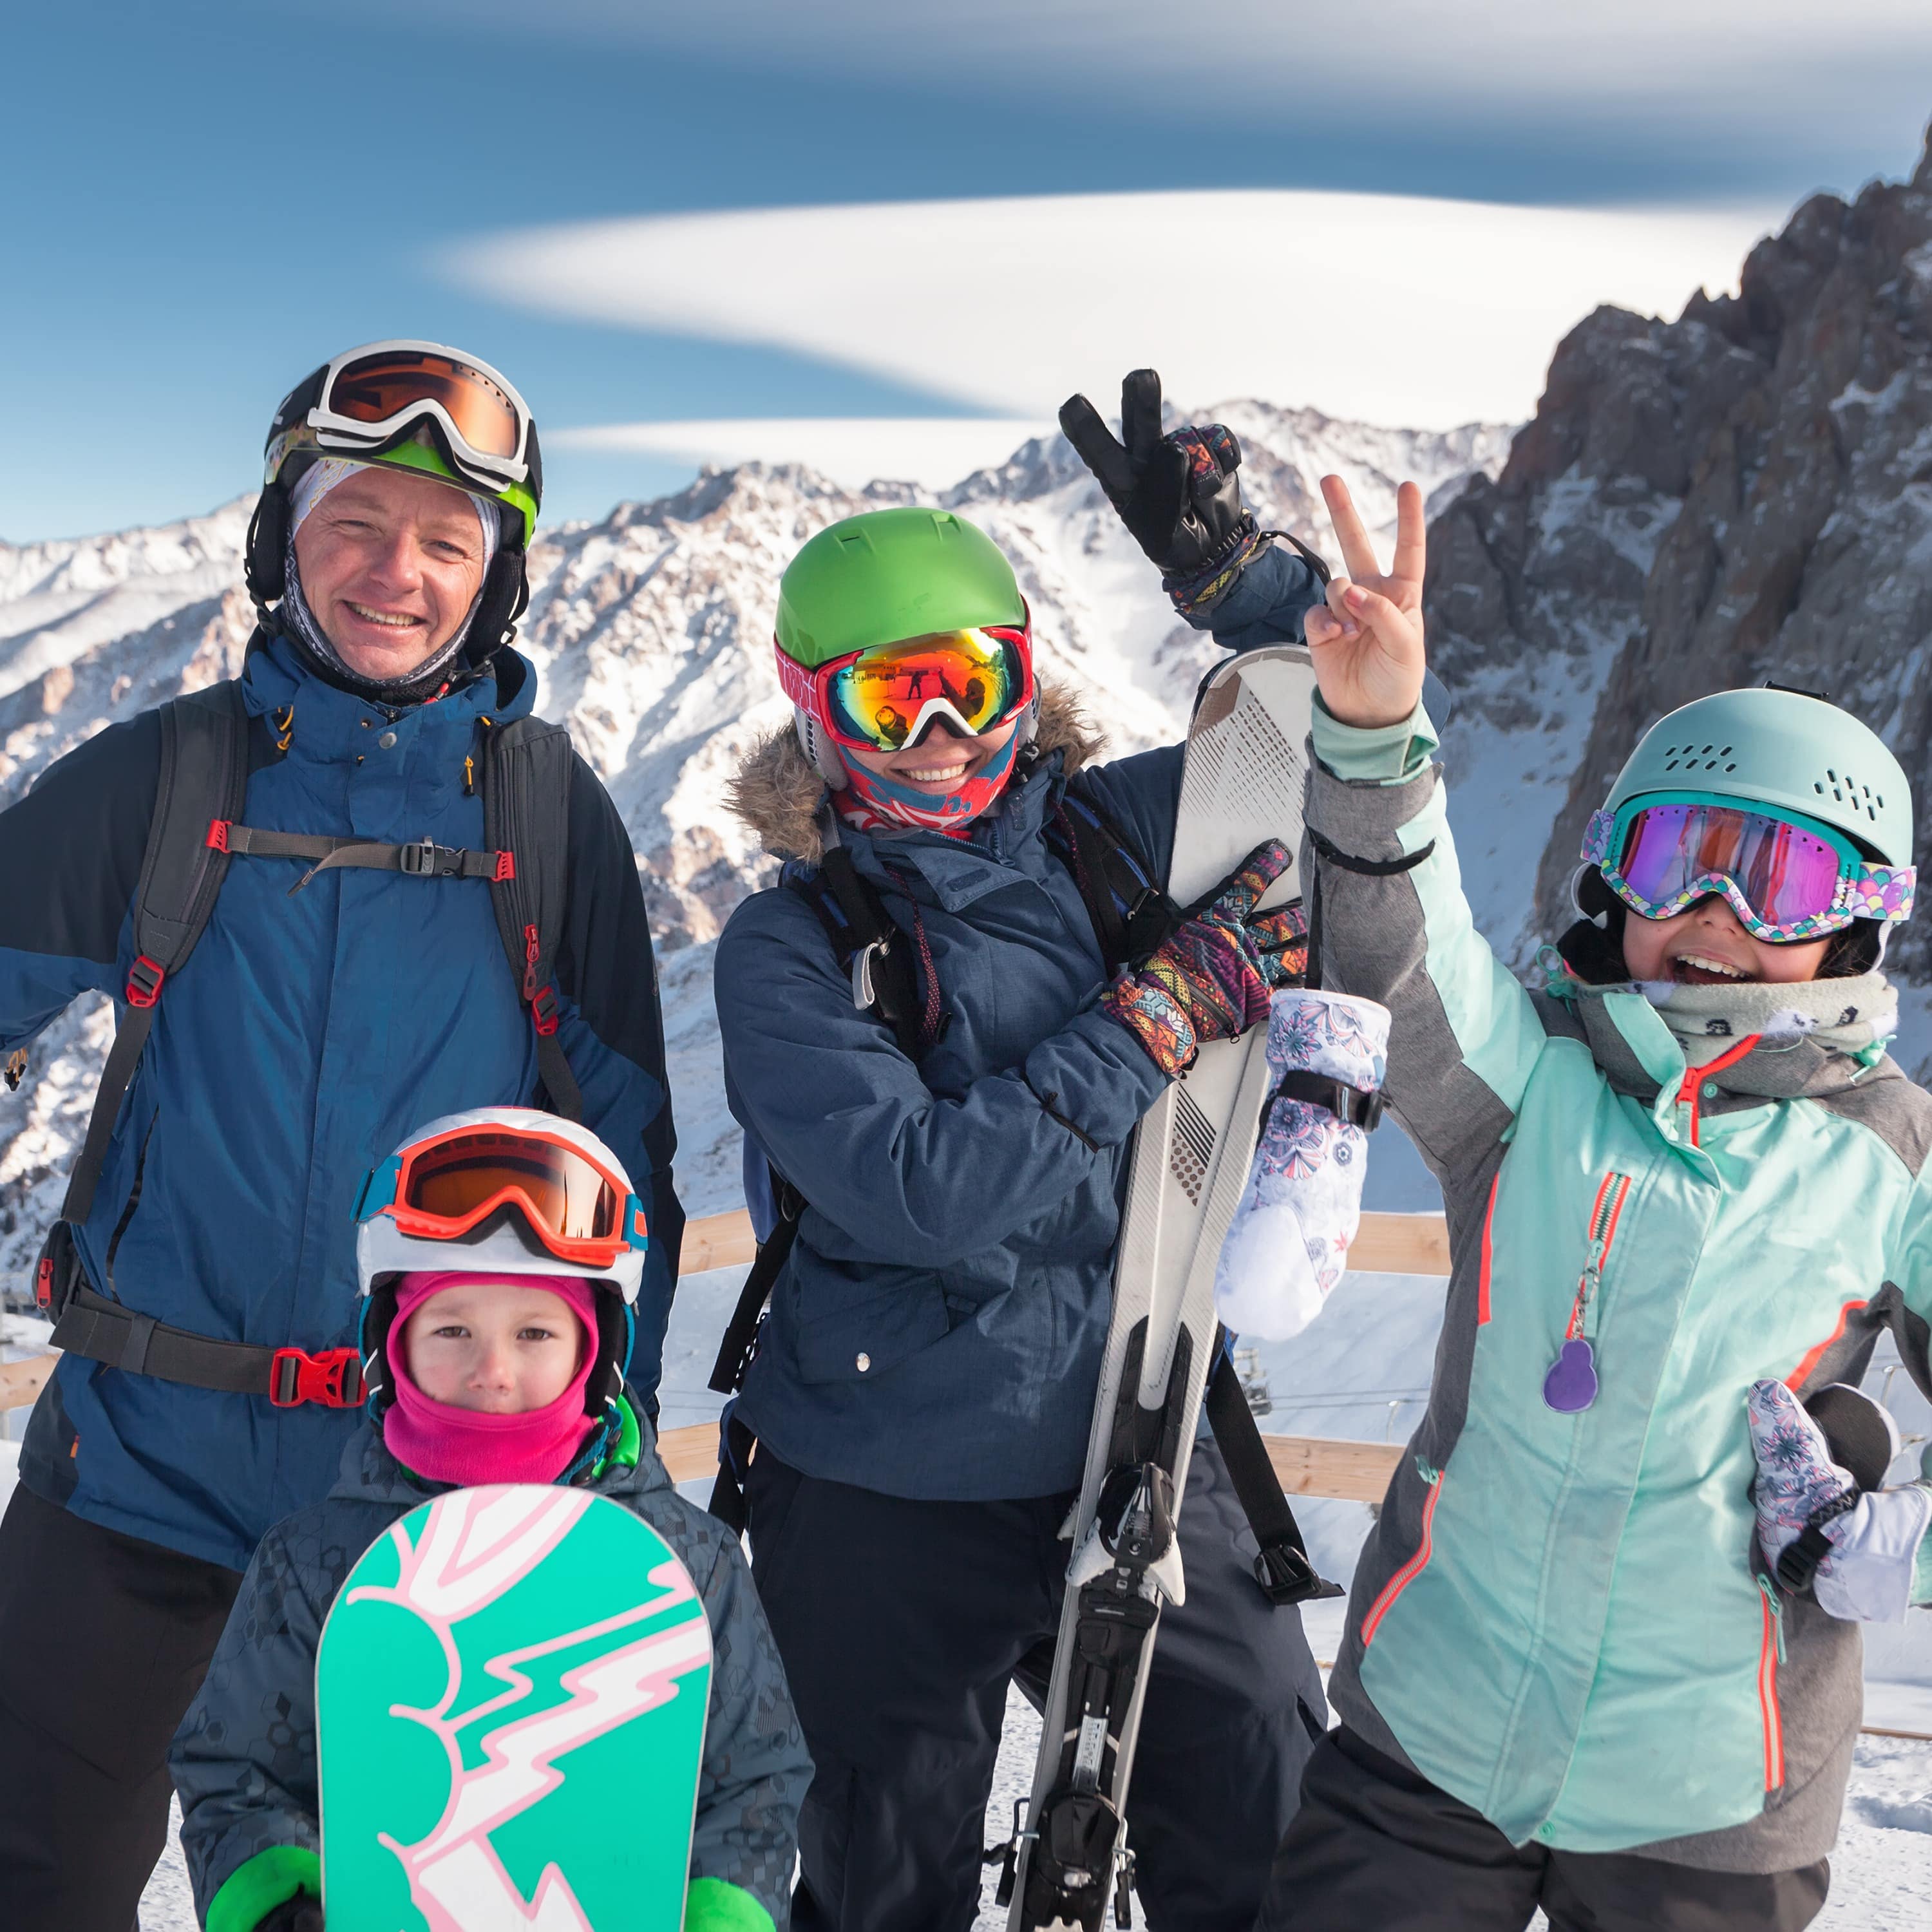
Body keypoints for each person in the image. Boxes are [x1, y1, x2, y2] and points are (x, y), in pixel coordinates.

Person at [1180, 464, 1932, 1930]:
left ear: (1856, 911)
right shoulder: (1531, 1081)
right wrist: (1377, 726)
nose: (1710, 917)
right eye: (1672, 864)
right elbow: (1397, 959)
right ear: (1613, 881)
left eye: (1770, 878)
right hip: (1429, 1737)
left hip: (1708, 1792)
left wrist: (1899, 1534)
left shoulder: (1889, 1152)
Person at [0, 341, 681, 1931]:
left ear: (494, 580)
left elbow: (627, 1160)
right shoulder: (168, 778)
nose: (399, 571)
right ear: (279, 536)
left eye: (449, 541)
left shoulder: (544, 814)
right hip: (135, 1475)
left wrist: (606, 1440)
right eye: (355, 521)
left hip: (428, 1494)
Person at [710, 397, 1334, 1932]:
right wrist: (1153, 1016)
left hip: (1141, 1423)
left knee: (1269, 1808)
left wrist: (1249, 593)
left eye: (971, 683)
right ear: (814, 711)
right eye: (892, 697)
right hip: (881, 1469)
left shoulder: (1115, 830)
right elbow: (919, 1188)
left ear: (1024, 677)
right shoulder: (789, 945)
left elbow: (1343, 727)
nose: (941, 734)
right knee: (879, 1872)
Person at [171, 1108, 806, 1932]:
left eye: (536, 1331)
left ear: (599, 1355)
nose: (492, 1369)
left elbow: (755, 1777)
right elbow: (235, 1770)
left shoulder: (690, 1564)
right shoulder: (314, 1561)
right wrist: (280, 1908)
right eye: (452, 1329)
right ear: (388, 1348)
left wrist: (722, 1915)